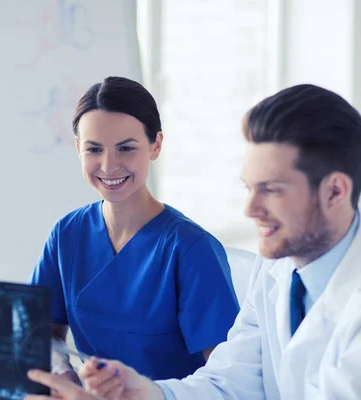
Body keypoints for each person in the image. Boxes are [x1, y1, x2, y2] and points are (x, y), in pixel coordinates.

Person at [25, 83, 361, 399]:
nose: (250, 209)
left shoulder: (188, 247)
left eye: (271, 190)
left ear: (334, 191)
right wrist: (147, 392)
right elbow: (228, 380)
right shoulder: (276, 267)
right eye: (249, 188)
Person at [29, 77, 240, 384]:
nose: (109, 166)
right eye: (94, 149)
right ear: (78, 148)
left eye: (126, 148)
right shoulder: (67, 234)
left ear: (156, 144)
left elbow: (228, 380)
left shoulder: (191, 249)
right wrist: (65, 375)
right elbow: (40, 332)